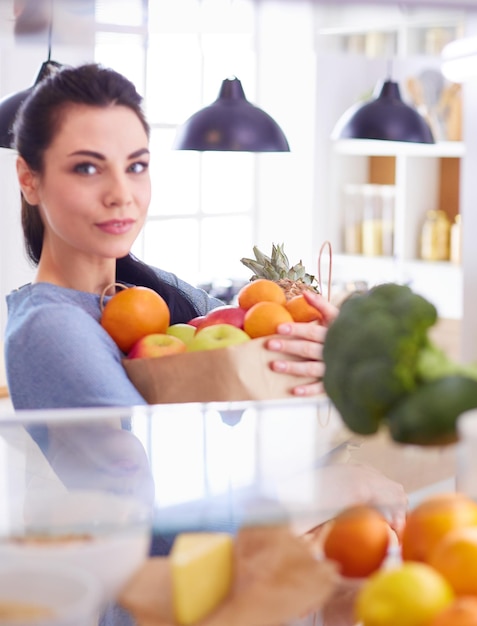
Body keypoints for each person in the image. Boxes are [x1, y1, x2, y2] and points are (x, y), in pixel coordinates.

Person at [4, 63, 406, 626]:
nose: (121, 194)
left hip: (243, 590)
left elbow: (236, 408)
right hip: (172, 606)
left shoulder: (153, 293)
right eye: (87, 167)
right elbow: (148, 529)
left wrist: (328, 351)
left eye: (137, 166)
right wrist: (325, 488)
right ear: (30, 178)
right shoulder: (50, 327)